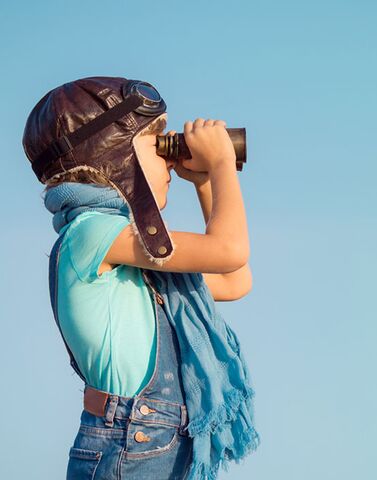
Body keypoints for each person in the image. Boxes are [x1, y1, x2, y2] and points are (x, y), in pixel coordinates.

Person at [22, 76, 259, 480]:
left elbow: (235, 279)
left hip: (155, 445)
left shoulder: (134, 262)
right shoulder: (91, 233)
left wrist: (204, 182)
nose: (169, 159)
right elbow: (230, 249)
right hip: (127, 445)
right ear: (114, 156)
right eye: (158, 144)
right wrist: (220, 164)